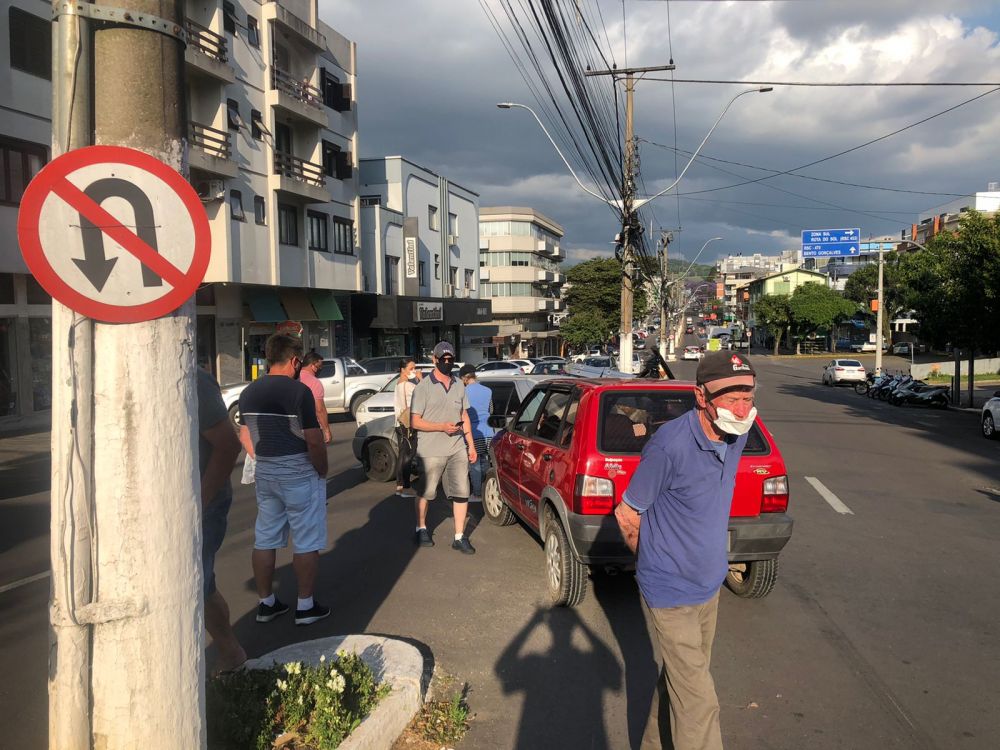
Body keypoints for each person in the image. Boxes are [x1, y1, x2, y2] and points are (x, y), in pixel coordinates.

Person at [615, 351, 758, 750]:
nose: (742, 407)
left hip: (709, 582)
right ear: (701, 397)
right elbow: (626, 511)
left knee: (679, 684)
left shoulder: (739, 430)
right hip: (670, 591)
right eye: (730, 399)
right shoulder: (668, 448)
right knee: (700, 702)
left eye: (747, 396)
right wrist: (657, 562)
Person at [238, 334, 331, 626]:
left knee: (265, 538)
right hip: (298, 473)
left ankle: (266, 604)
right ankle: (305, 606)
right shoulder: (298, 392)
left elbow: (244, 435)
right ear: (293, 360)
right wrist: (322, 469)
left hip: (266, 473)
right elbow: (314, 441)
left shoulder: (248, 392)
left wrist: (264, 458)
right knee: (305, 539)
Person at [197, 368, 246, 673]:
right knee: (202, 585)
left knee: (192, 586)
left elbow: (229, 445)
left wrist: (196, 504)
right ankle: (231, 651)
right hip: (165, 506)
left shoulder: (193, 379)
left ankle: (228, 653)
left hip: (203, 501)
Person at [410, 341, 477, 554]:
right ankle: (421, 528)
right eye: (443, 360)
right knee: (427, 492)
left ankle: (459, 536)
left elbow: (464, 415)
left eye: (450, 360)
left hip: (457, 446)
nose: (447, 363)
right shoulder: (423, 387)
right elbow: (415, 422)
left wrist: (471, 445)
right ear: (434, 360)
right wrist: (441, 427)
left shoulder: (459, 384)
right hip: (430, 449)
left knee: (462, 492)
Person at [459, 364, 494, 503]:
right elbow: (491, 410)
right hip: (488, 431)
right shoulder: (488, 390)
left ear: (464, 378)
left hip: (472, 432)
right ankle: (486, 491)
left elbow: (461, 413)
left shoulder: (463, 392)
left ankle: (477, 493)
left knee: (474, 463)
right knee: (485, 461)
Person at [393, 358, 420, 497]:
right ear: (402, 370)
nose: (414, 371)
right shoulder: (409, 386)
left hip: (399, 423)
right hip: (408, 424)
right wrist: (420, 380)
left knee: (403, 453)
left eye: (414, 368)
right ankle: (404, 486)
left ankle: (400, 485)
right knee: (408, 454)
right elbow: (423, 395)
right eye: (411, 368)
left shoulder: (398, 384)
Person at [299, 352, 332, 444]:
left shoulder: (294, 378)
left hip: (293, 427)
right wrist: (326, 430)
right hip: (311, 428)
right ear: (313, 366)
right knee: (316, 457)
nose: (321, 369)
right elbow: (320, 410)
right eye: (320, 366)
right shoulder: (314, 382)